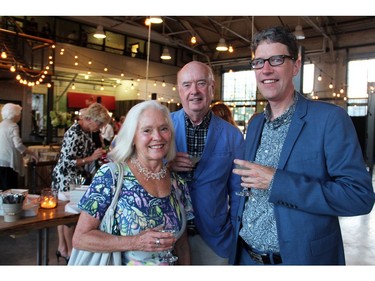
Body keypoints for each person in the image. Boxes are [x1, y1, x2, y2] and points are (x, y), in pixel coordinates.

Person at [230, 26, 375, 265]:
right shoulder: (256, 123)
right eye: (258, 62)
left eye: (276, 59)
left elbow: (358, 197)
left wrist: (278, 182)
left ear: (295, 65)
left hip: (298, 260)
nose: (266, 69)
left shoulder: (329, 119)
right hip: (246, 257)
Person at [72, 100, 193, 265]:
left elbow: (182, 244)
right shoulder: (111, 175)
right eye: (147, 130)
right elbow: (80, 238)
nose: (157, 136)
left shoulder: (177, 183)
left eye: (163, 128)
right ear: (133, 137)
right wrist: (135, 242)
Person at [169, 61, 245, 265]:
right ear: (179, 90)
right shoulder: (162, 127)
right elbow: (134, 168)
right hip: (167, 238)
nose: (194, 91)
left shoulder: (232, 135)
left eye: (201, 83)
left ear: (212, 88)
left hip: (214, 239)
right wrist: (166, 163)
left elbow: (238, 192)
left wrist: (233, 232)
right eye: (187, 85)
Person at [52, 102, 111, 264]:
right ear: (90, 119)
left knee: (64, 215)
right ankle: (69, 250)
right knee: (68, 216)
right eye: (99, 124)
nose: (99, 128)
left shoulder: (86, 132)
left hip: (76, 178)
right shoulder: (74, 133)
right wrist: (91, 158)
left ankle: (62, 248)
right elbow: (66, 161)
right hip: (67, 178)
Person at [0, 103, 38, 190]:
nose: (20, 116)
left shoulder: (1, 125)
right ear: (15, 114)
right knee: (10, 190)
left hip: (0, 161)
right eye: (19, 114)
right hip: (8, 163)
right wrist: (31, 153)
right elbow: (18, 144)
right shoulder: (13, 126)